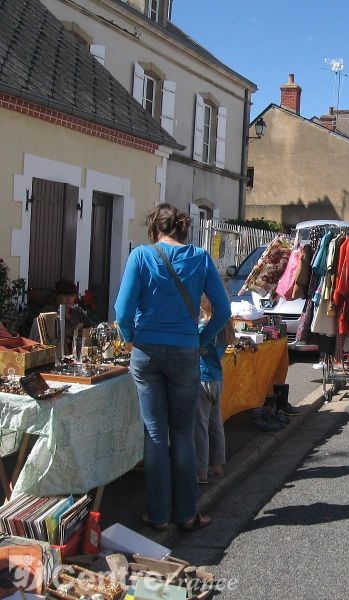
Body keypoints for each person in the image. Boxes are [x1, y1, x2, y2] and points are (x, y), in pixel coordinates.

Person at [114, 203, 231, 532]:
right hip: (184, 351)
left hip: (147, 352)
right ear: (183, 229)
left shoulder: (141, 256)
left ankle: (159, 515)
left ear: (155, 230)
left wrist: (131, 336)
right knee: (183, 435)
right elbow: (222, 310)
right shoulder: (200, 257)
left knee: (154, 435)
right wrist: (201, 340)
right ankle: (186, 513)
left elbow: (122, 310)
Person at [195, 295, 235, 485]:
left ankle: (201, 469)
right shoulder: (225, 327)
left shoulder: (204, 327)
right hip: (216, 378)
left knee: (200, 427)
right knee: (215, 423)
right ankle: (218, 463)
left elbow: (193, 347)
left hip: (201, 379)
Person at [29, 279, 93, 354]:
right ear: (57, 296)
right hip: (54, 355)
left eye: (72, 295)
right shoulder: (49, 313)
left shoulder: (77, 312)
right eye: (65, 295)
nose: (68, 299)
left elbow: (92, 328)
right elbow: (46, 339)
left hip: (76, 354)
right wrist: (70, 332)